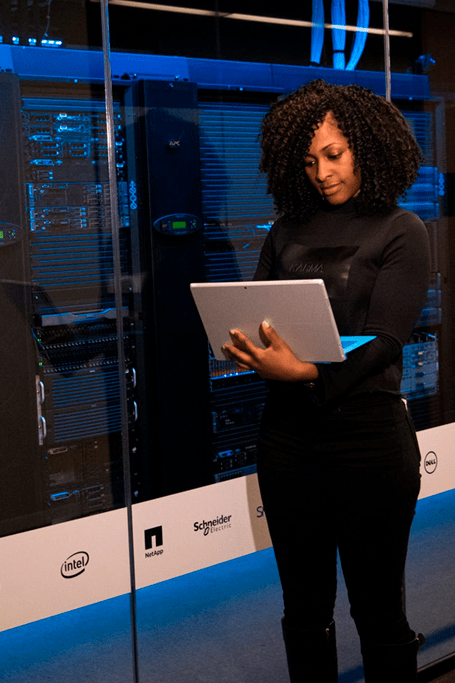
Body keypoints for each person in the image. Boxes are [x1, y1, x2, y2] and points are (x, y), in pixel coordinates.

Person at [223, 80, 430, 683]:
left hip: (369, 440)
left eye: (334, 155)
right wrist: (246, 348)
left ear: (366, 148)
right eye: (310, 161)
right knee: (303, 610)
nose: (321, 172)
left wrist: (308, 372)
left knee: (377, 611)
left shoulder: (401, 229)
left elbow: (386, 338)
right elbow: (254, 313)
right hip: (287, 440)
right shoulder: (285, 230)